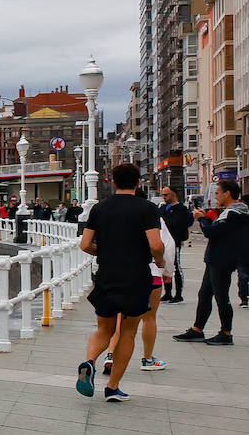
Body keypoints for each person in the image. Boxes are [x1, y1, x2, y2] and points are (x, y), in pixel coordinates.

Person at [77, 163, 164, 402]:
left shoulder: (100, 209)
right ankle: (113, 387)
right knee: (127, 332)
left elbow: (85, 244)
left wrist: (105, 254)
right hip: (135, 276)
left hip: (107, 274)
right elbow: (156, 244)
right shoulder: (147, 209)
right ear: (138, 182)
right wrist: (160, 260)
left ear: (112, 182)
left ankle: (89, 362)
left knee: (104, 328)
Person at [172, 178, 249, 346]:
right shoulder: (231, 212)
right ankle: (197, 329)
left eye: (217, 193)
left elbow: (211, 232)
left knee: (221, 296)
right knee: (204, 295)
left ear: (227, 194)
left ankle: (226, 332)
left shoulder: (233, 213)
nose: (215, 197)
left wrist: (201, 219)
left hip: (222, 259)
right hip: (215, 258)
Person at [100, 215, 174, 375]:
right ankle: (148, 359)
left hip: (124, 274)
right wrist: (168, 271)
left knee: (120, 317)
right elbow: (167, 246)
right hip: (151, 273)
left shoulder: (117, 217)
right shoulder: (154, 217)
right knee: (149, 318)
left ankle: (110, 355)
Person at [159, 186, 190, 303]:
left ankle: (178, 294)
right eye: (163, 195)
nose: (164, 197)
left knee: (176, 266)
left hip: (175, 241)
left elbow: (176, 223)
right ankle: (167, 292)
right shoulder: (162, 208)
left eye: (166, 194)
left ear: (174, 194)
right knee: (165, 265)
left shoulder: (181, 208)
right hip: (163, 241)